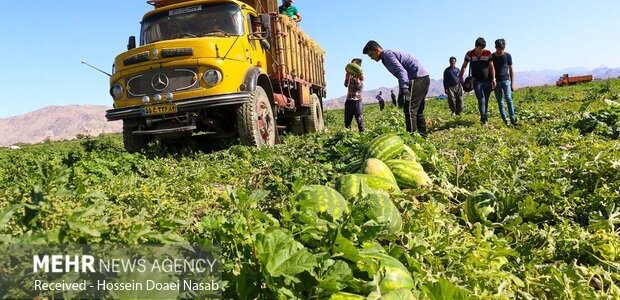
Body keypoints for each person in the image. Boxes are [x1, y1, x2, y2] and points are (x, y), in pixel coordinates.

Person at [363, 40, 430, 137]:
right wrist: (401, 93)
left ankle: (412, 139)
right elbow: (400, 75)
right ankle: (423, 137)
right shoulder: (386, 57)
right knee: (418, 110)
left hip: (417, 78)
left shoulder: (387, 56)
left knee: (410, 110)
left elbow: (401, 71)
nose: (371, 58)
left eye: (371, 55)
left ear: (377, 50)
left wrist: (405, 88)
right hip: (423, 77)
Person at [460, 37, 495, 125]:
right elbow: (464, 66)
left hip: (487, 81)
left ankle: (484, 116)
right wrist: (460, 76)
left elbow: (491, 67)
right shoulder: (470, 54)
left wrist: (493, 78)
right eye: (479, 48)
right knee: (481, 100)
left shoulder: (488, 53)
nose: (481, 50)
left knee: (486, 100)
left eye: (482, 48)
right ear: (475, 46)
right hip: (476, 82)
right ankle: (484, 120)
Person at [492, 38, 518, 125]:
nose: (500, 51)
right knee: (500, 101)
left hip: (506, 80)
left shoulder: (508, 56)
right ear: (496, 47)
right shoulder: (492, 57)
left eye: (502, 49)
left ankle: (513, 119)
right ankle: (504, 120)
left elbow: (511, 69)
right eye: (499, 49)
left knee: (509, 99)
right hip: (496, 82)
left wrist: (512, 83)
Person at [344, 58, 364, 132]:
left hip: (357, 101)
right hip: (349, 100)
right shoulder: (348, 74)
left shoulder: (361, 75)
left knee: (359, 120)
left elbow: (360, 88)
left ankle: (362, 135)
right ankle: (347, 135)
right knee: (347, 121)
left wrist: (357, 79)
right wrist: (348, 74)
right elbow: (346, 84)